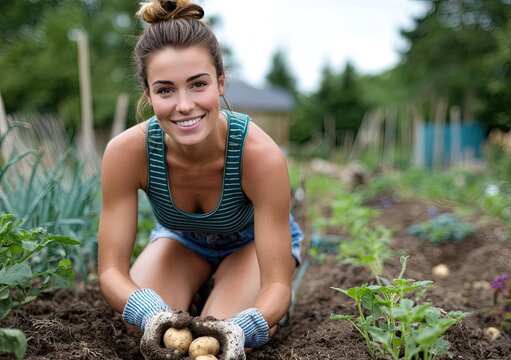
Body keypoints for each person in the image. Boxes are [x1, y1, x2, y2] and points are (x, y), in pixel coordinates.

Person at [97, 0, 303, 358]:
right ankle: (199, 285)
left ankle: (225, 297)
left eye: (198, 85)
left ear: (221, 82)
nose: (184, 104)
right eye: (165, 90)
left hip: (250, 245)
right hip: (183, 241)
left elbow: (276, 286)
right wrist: (150, 314)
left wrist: (243, 326)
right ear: (147, 94)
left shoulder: (260, 157)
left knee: (219, 329)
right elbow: (111, 272)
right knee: (138, 324)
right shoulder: (126, 153)